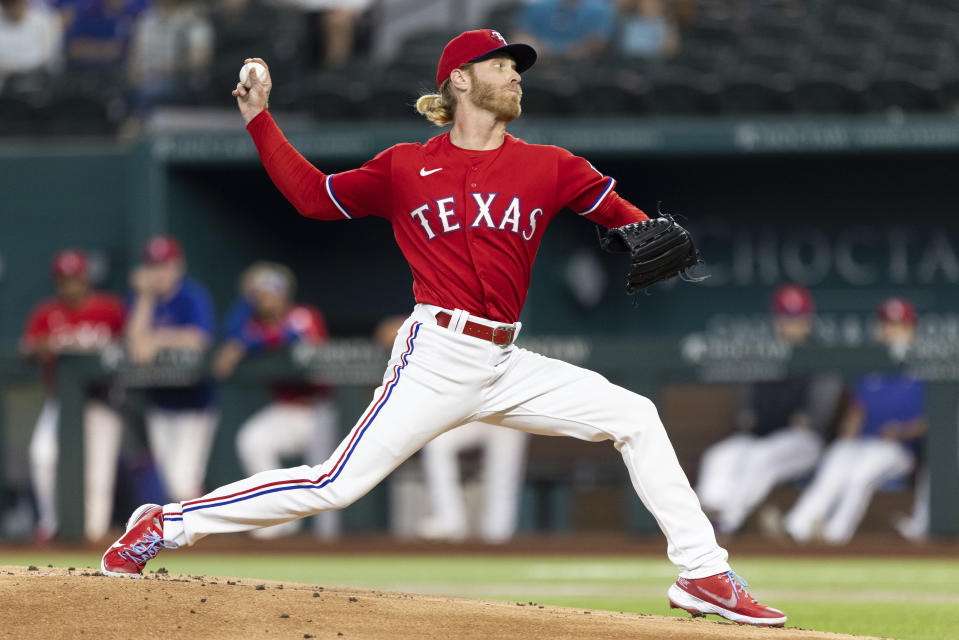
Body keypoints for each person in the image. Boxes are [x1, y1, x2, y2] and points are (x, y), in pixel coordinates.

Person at [101, 29, 786, 627]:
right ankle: (168, 525)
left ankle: (702, 572)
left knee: (635, 415)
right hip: (434, 356)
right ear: (459, 79)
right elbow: (313, 197)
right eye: (499, 64)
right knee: (333, 483)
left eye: (516, 67)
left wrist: (647, 231)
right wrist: (259, 119)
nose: (514, 75)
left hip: (505, 359)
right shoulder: (405, 165)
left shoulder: (550, 165)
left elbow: (629, 221)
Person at [695, 284, 842, 537]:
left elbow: (814, 418)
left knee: (761, 457)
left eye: (797, 318)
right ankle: (704, 518)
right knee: (719, 456)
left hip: (806, 443)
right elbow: (748, 410)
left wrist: (798, 419)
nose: (791, 325)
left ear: (808, 319)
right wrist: (751, 417)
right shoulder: (763, 354)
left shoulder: (822, 355)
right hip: (762, 437)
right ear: (776, 319)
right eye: (786, 318)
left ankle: (728, 521)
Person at [781, 298, 925, 545]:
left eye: (899, 326)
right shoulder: (870, 367)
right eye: (887, 325)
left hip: (899, 448)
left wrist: (903, 431)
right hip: (863, 443)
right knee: (836, 458)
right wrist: (849, 426)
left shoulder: (925, 366)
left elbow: (935, 420)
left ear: (911, 330)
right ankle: (798, 527)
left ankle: (836, 536)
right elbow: (856, 409)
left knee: (861, 474)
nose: (891, 332)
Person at [213, 262, 340, 539]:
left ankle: (331, 545)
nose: (266, 299)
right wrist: (247, 301)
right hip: (287, 410)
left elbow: (287, 336)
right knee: (252, 440)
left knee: (327, 483)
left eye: (271, 292)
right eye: (261, 294)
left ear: (284, 294)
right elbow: (232, 332)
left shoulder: (302, 315)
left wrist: (248, 343)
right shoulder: (253, 324)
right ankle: (279, 517)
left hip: (321, 411)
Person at [375, 316, 528, 544]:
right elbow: (386, 332)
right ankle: (450, 520)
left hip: (498, 410)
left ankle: (499, 531)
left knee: (509, 442)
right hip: (465, 415)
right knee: (438, 444)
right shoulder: (443, 318)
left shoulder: (496, 322)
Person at [22, 249, 125, 543]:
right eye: (64, 279)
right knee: (43, 455)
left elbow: (130, 348)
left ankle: (94, 538)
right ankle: (51, 525)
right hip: (64, 400)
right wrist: (42, 346)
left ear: (85, 278)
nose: (70, 285)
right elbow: (26, 350)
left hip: (103, 400)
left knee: (98, 474)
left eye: (75, 278)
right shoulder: (46, 312)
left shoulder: (110, 309)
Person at [125, 234, 218, 503]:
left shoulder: (192, 295)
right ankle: (194, 530)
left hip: (195, 403)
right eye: (153, 266)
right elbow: (133, 340)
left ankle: (200, 529)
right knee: (171, 483)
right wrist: (144, 296)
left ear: (178, 265)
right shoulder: (141, 298)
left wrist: (158, 340)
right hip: (160, 401)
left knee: (181, 481)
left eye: (165, 265)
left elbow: (199, 339)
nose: (159, 273)